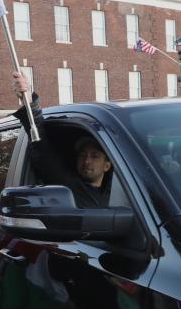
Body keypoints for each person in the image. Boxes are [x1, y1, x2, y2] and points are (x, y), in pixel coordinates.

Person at [11, 72, 113, 208]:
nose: (87, 161)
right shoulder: (67, 187)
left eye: (95, 156)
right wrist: (28, 99)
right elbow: (41, 147)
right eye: (83, 155)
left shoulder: (124, 192)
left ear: (107, 165)